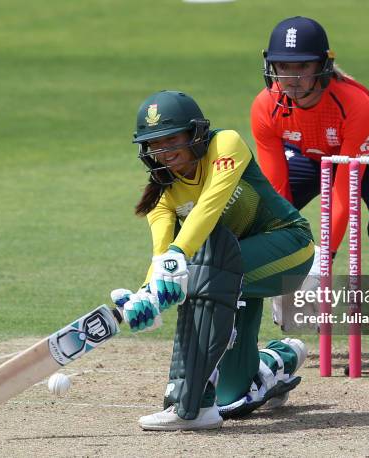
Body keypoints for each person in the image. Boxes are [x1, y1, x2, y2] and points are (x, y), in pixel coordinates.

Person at [251, 16, 369, 364]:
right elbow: (277, 194)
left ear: (323, 65)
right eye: (282, 66)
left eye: (301, 67)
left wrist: (323, 260)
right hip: (314, 154)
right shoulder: (266, 106)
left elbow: (344, 189)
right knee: (255, 215)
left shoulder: (352, 101)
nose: (291, 78)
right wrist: (286, 264)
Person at [120, 90, 315, 431]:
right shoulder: (162, 198)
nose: (164, 152)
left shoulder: (226, 145)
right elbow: (162, 255)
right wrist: (146, 295)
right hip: (233, 277)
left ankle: (190, 405)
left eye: (171, 139)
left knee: (200, 276)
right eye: (154, 144)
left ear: (195, 133)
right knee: (233, 396)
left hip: (288, 248)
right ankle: (277, 361)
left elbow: (208, 208)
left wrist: (179, 259)